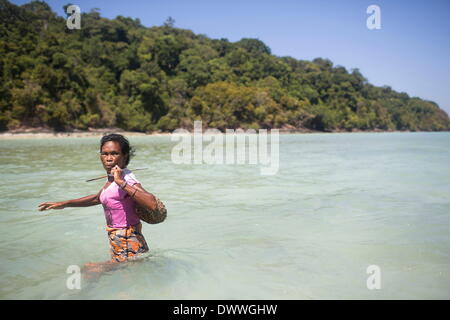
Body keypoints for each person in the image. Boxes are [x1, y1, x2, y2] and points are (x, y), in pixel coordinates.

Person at [38, 133, 158, 271]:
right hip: (119, 241)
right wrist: (65, 203)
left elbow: (152, 203)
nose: (108, 158)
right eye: (104, 154)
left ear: (124, 156)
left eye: (114, 153)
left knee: (90, 271)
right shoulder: (113, 177)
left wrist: (121, 182)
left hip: (128, 241)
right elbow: (98, 198)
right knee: (123, 282)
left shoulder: (126, 179)